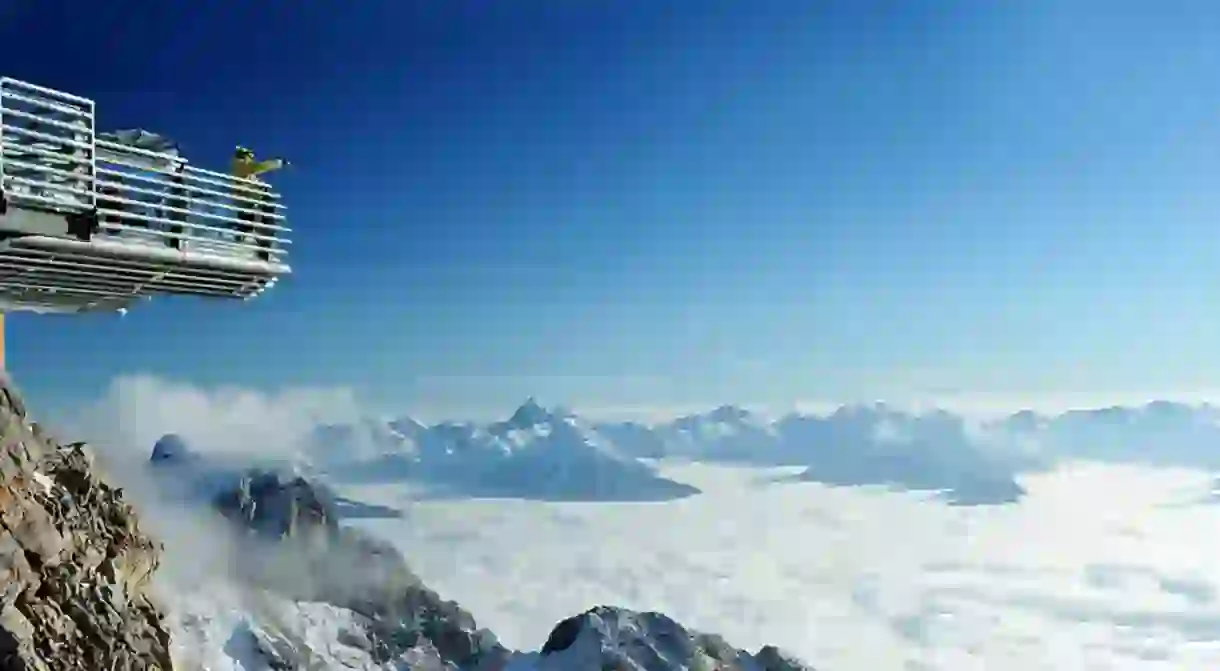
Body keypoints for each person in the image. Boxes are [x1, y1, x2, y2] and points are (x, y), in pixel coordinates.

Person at [230, 146, 287, 262]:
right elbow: (259, 167)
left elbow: (252, 181)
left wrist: (261, 187)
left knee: (250, 226)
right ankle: (257, 250)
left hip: (249, 203)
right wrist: (278, 163)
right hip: (248, 203)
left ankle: (256, 248)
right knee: (258, 223)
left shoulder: (244, 171)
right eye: (249, 156)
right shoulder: (241, 165)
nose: (250, 159)